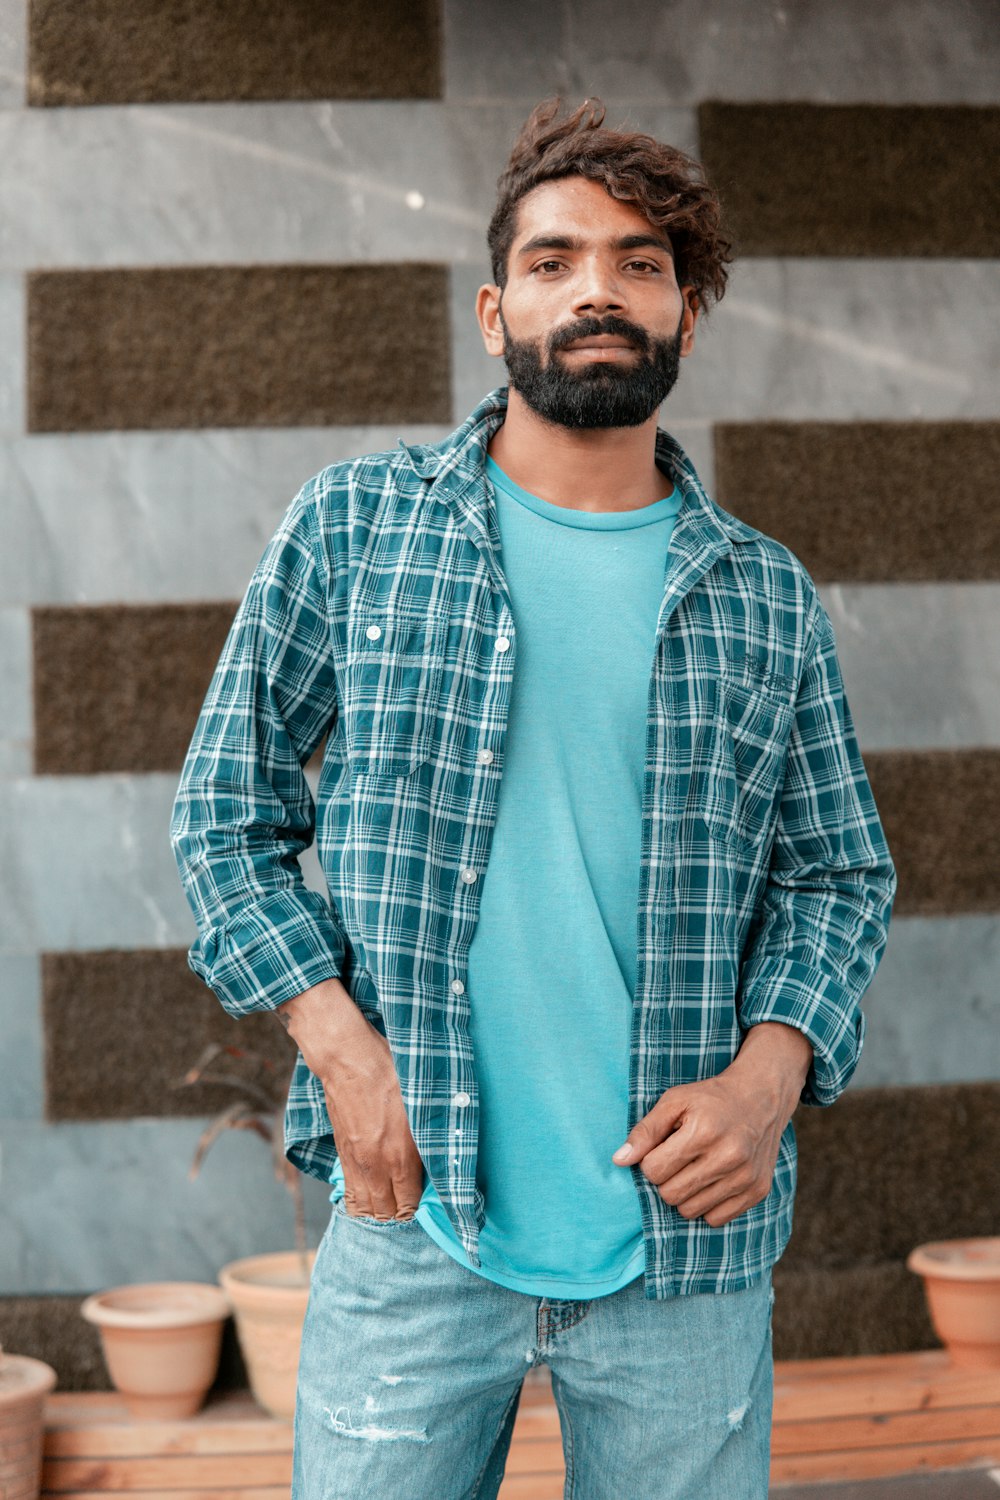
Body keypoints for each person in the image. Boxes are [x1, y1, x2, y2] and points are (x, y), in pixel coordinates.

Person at [171, 97, 896, 1500]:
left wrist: (772, 1072)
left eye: (640, 264)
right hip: (414, 1222)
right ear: (497, 312)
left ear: (686, 318)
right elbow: (225, 817)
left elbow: (838, 876)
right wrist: (341, 1049)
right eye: (557, 260)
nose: (599, 290)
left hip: (685, 1248)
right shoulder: (359, 528)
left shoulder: (763, 596)